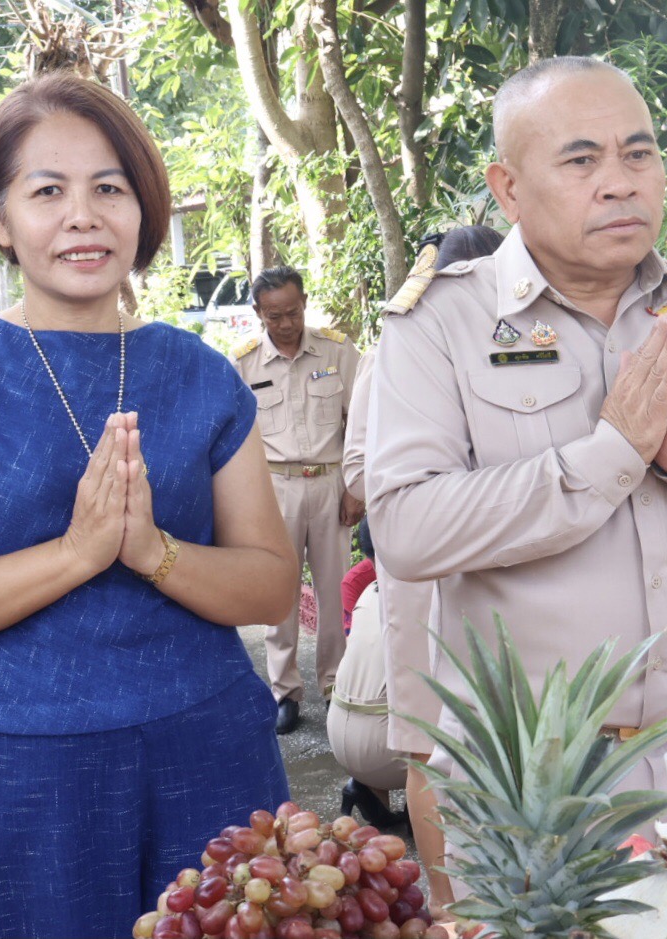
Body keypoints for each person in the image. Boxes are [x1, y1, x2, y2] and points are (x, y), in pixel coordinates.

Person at [366, 57, 667, 865]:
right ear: (507, 189)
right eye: (580, 159)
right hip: (531, 780)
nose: (619, 183)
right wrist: (608, 458)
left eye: (638, 154)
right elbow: (407, 528)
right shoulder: (441, 325)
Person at [0, 72, 296, 938]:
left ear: (142, 208)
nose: (82, 216)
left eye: (109, 188)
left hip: (211, 741)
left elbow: (268, 584)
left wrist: (152, 551)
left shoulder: (200, 373)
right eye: (47, 191)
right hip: (31, 765)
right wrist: (76, 552)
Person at [343, 224, 503, 919]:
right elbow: (356, 472)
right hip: (423, 578)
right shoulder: (393, 352)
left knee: (516, 742)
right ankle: (447, 911)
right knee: (429, 745)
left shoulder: (530, 346)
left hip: (513, 575)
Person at [231, 266, 362, 734]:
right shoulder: (243, 364)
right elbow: (235, 439)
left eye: (292, 312)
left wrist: (356, 486)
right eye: (274, 316)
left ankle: (335, 684)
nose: (285, 324)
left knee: (334, 588)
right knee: (279, 591)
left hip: (330, 484)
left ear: (304, 302)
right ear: (258, 312)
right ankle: (284, 691)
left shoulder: (337, 351)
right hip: (275, 488)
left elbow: (362, 422)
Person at [326, 517, 413, 833]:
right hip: (385, 750)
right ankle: (422, 811)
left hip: (338, 733)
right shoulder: (423, 593)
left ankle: (367, 791)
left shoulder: (366, 589)